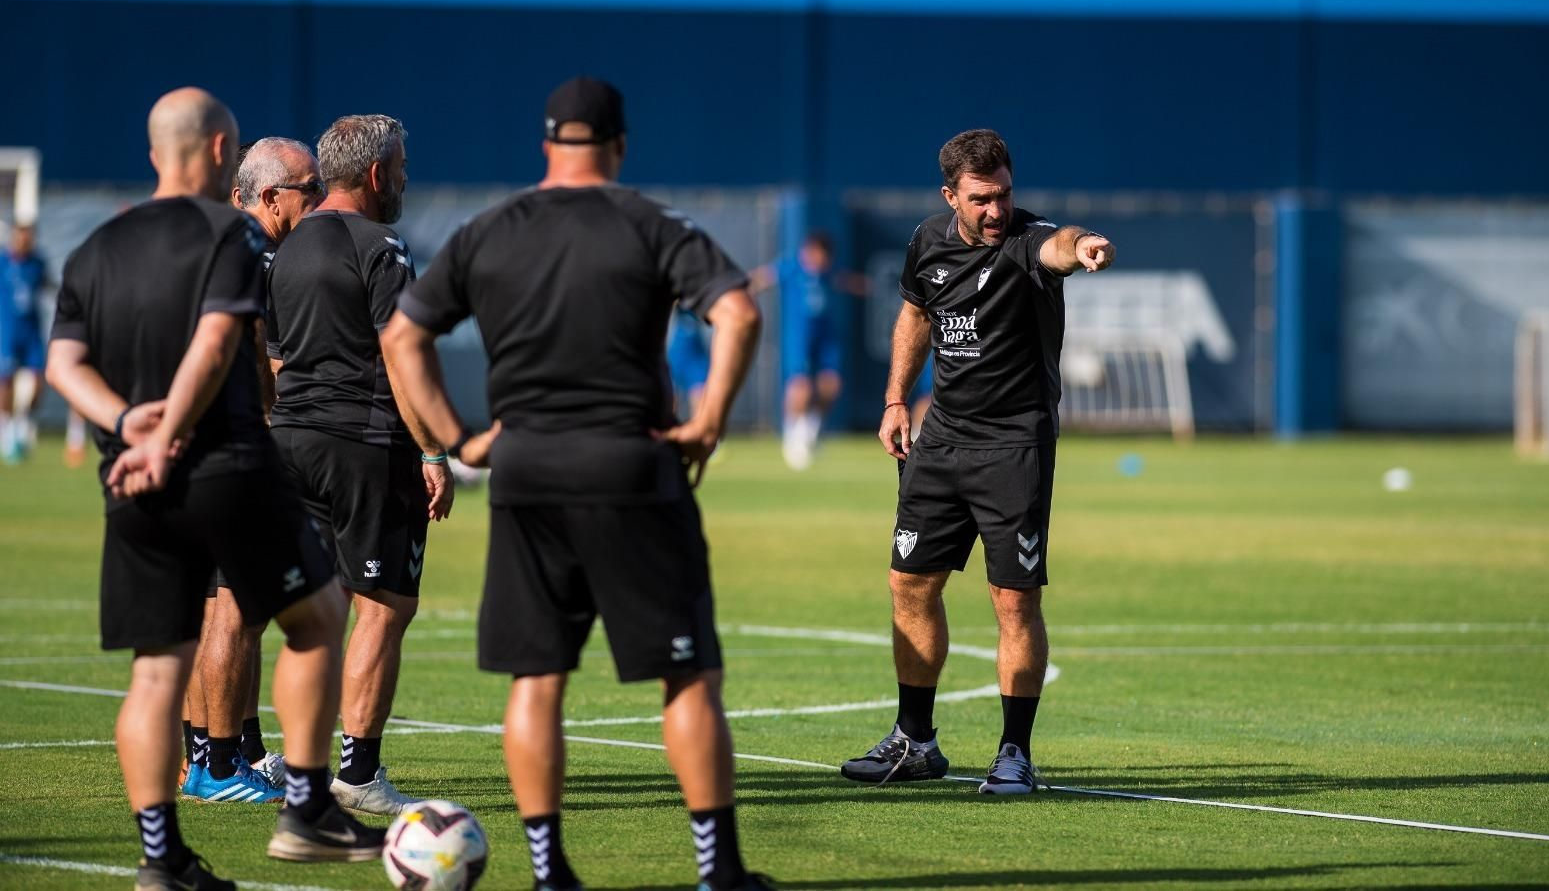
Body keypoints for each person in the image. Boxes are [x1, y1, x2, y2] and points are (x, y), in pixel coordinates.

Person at [381, 76, 772, 891]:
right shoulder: (652, 223)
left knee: (538, 678)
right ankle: (717, 872)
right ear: (620, 145)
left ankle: (549, 872)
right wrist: (708, 421)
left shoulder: (487, 230)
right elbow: (739, 312)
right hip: (632, 470)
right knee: (686, 674)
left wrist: (459, 439)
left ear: (546, 145)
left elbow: (401, 337)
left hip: (526, 473)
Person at [45, 87, 384, 891]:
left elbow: (62, 365)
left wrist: (127, 427)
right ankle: (307, 809)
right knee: (320, 618)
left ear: (154, 150)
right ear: (224, 151)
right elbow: (217, 338)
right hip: (224, 467)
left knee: (156, 671)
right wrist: (170, 434)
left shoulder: (96, 247)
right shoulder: (231, 237)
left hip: (133, 483)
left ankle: (162, 858)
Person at [840, 128, 1116, 795]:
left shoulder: (1028, 241)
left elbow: (1059, 242)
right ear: (951, 197)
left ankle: (1015, 754)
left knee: (1013, 600)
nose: (996, 210)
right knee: (910, 585)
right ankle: (915, 742)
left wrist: (1083, 245)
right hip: (940, 443)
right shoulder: (926, 241)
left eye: (1004, 195)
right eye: (981, 199)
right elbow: (916, 316)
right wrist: (895, 400)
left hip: (1014, 448)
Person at [265, 114, 451, 816]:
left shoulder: (283, 247)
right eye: (399, 167)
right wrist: (432, 449)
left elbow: (273, 357)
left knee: (317, 612)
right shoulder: (383, 246)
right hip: (367, 446)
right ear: (376, 174)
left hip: (292, 440)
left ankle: (300, 765)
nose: (403, 178)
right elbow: (402, 354)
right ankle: (358, 773)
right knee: (383, 605)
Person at [180, 137, 325, 803]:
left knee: (213, 608)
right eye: (310, 189)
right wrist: (277, 403)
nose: (320, 200)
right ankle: (218, 766)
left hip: (187, 448)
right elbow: (260, 350)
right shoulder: (257, 258)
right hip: (235, 452)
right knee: (236, 610)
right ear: (270, 197)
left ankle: (213, 754)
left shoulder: (202, 244)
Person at [750, 232, 867, 470]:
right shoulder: (791, 268)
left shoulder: (828, 273)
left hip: (826, 337)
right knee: (800, 387)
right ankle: (792, 437)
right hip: (799, 338)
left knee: (831, 385)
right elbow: (762, 278)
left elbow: (846, 280)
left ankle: (811, 432)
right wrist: (741, 289)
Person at [0, 222, 49, 464]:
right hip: (7, 331)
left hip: (31, 333)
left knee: (39, 381)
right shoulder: (3, 263)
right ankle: (7, 430)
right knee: (5, 382)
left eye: (28, 237)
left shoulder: (37, 263)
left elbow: (47, 286)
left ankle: (23, 423)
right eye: (21, 237)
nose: (24, 241)